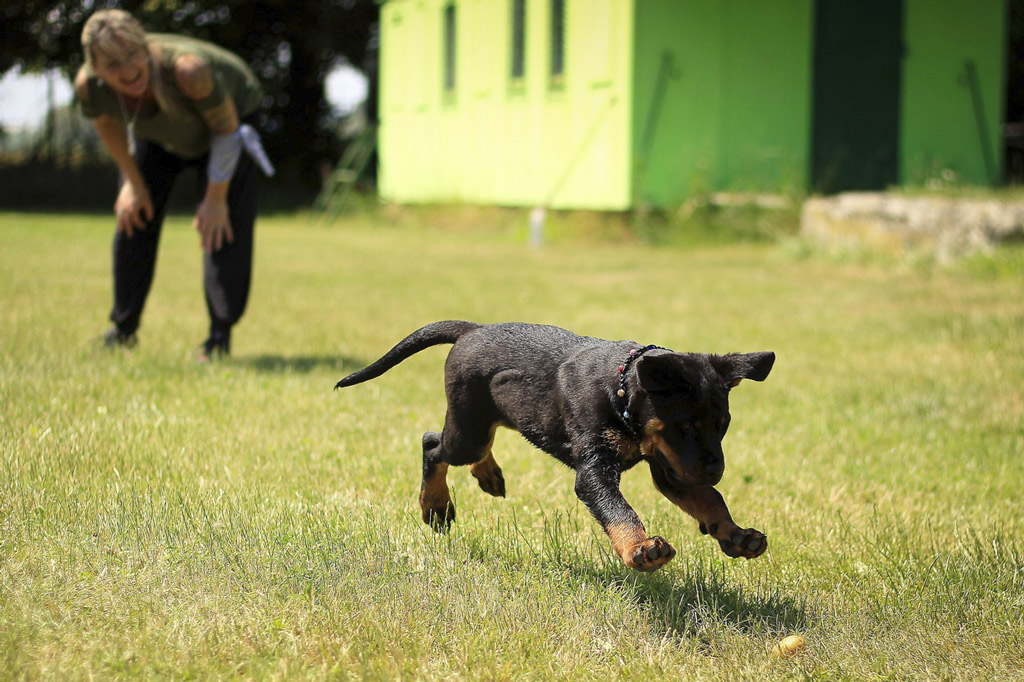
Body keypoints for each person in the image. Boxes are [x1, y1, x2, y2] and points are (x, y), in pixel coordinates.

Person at [75, 9, 274, 361]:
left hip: (227, 128)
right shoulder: (90, 87)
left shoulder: (188, 71)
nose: (129, 70)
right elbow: (107, 123)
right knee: (132, 217)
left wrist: (215, 199)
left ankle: (218, 338)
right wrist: (132, 183)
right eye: (113, 64)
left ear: (145, 45)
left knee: (220, 228)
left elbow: (227, 131)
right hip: (161, 135)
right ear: (95, 67)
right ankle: (122, 330)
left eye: (134, 54)